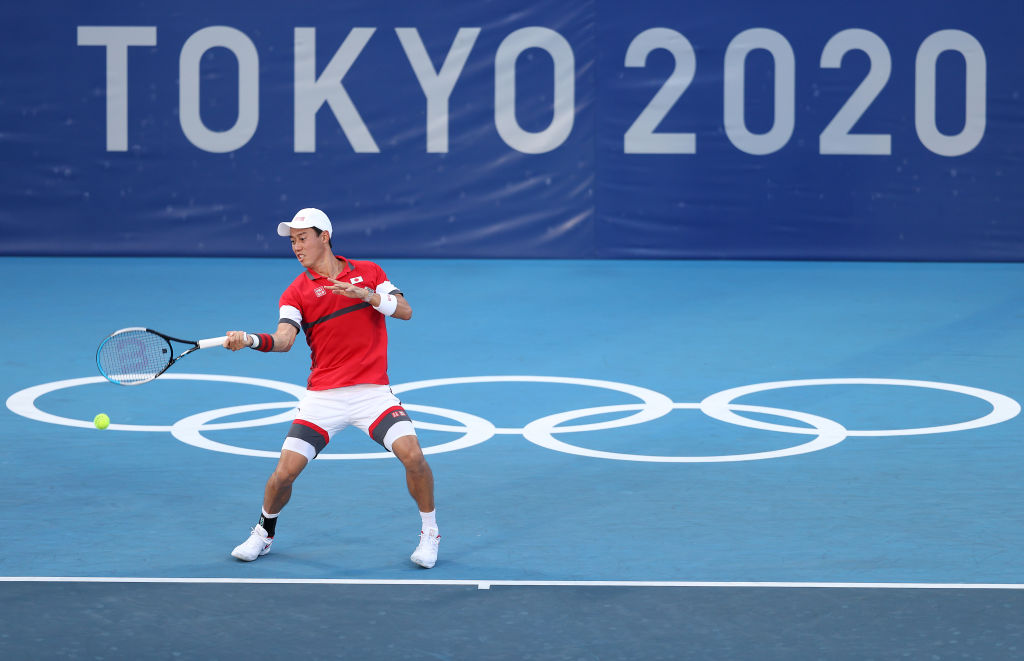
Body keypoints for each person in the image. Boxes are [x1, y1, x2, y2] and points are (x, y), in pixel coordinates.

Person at [224, 207, 440, 568]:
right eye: (292, 241)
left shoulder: (369, 272)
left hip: (372, 393)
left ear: (324, 236)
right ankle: (264, 533)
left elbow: (405, 310)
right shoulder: (296, 291)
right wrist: (248, 339)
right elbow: (283, 339)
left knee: (414, 457)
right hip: (323, 397)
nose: (296, 246)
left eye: (302, 238)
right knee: (284, 474)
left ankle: (430, 533)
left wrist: (367, 296)